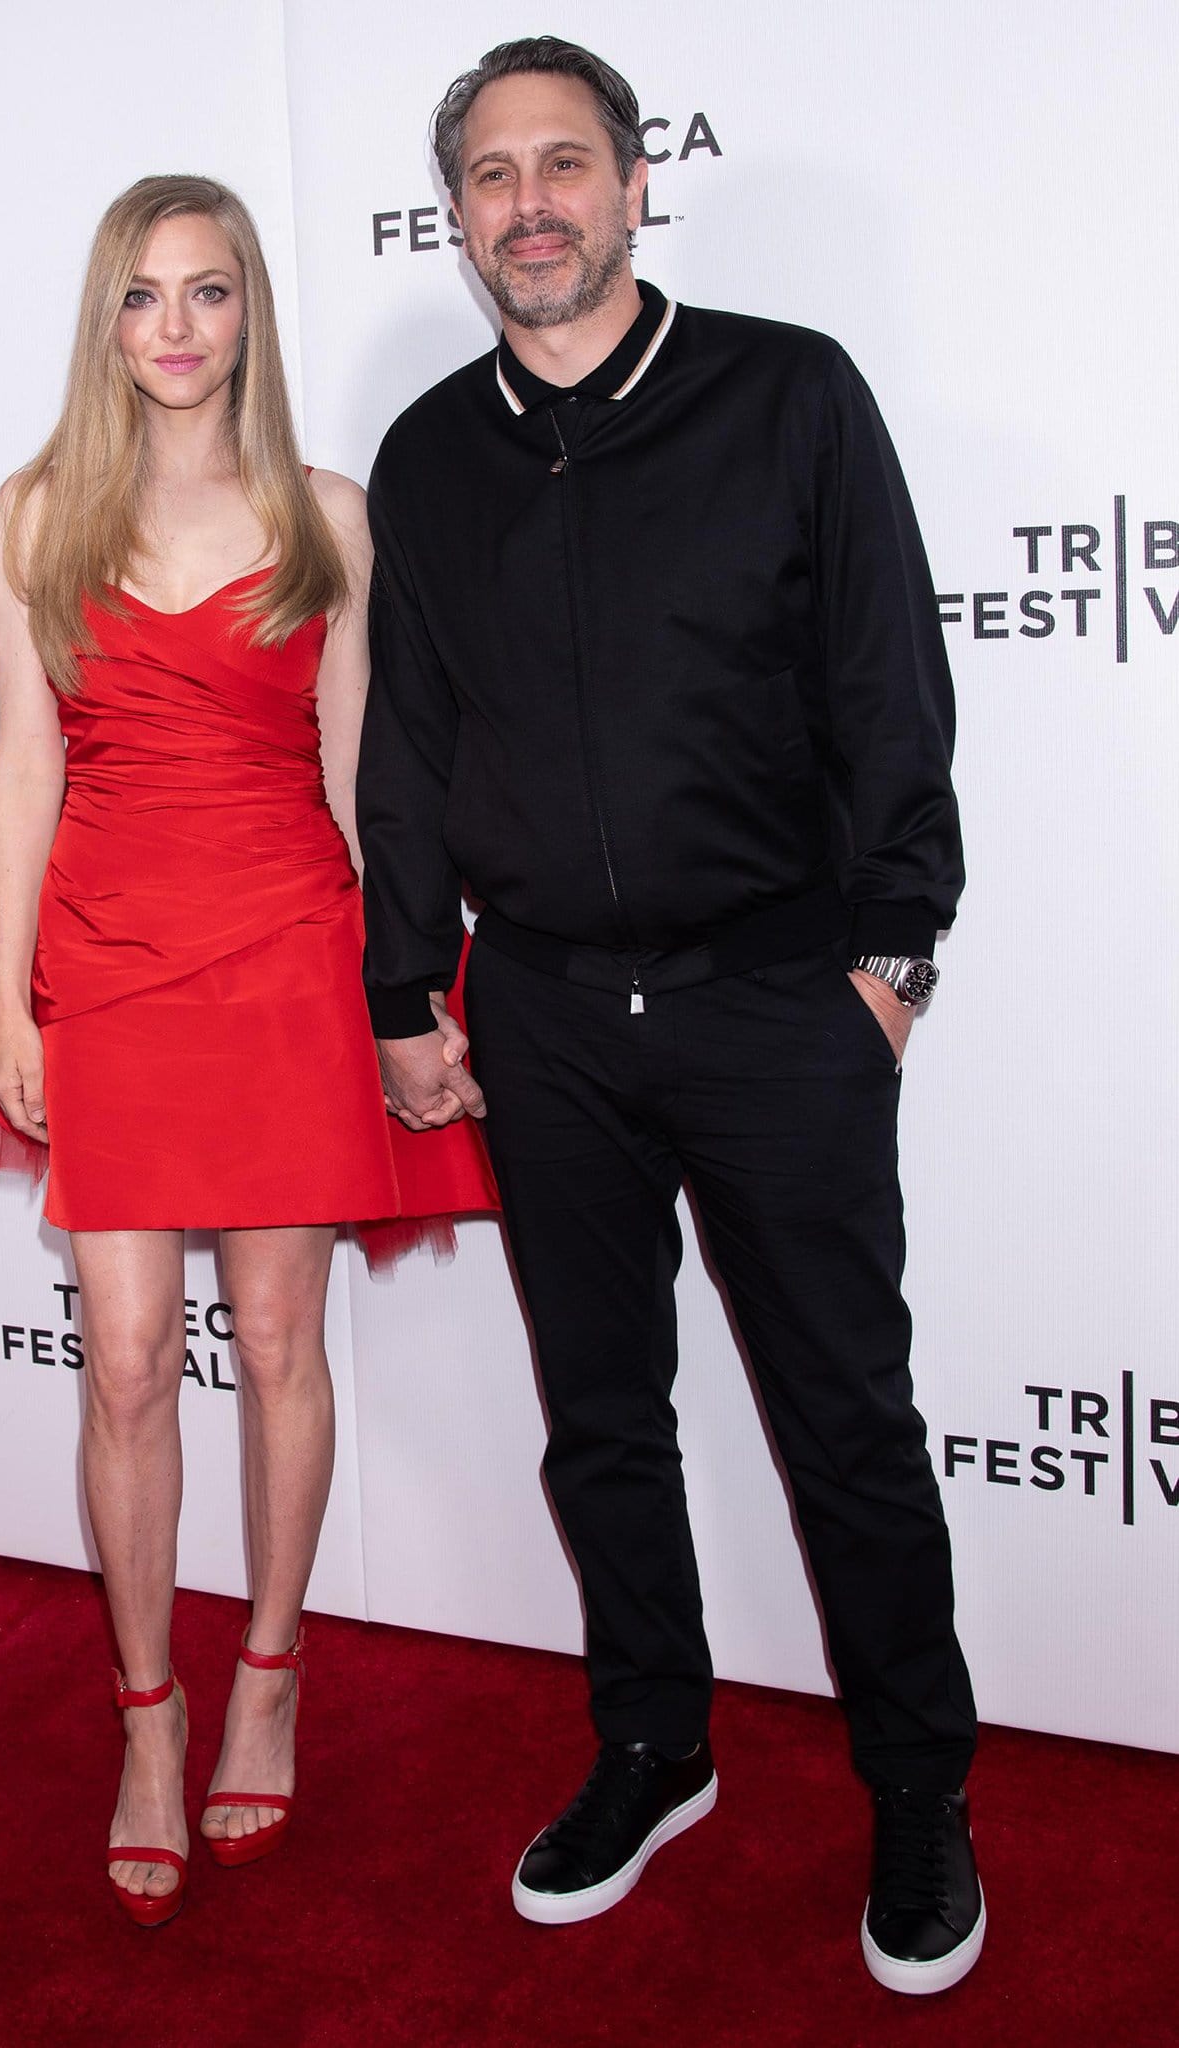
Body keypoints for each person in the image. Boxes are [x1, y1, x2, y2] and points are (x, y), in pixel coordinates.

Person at [357, 37, 983, 1995]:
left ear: (634, 186)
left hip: (772, 999)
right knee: (599, 1418)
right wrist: (403, 986)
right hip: (538, 1010)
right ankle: (652, 1743)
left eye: (563, 162)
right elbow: (408, 746)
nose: (527, 201)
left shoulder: (785, 393)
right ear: (455, 214)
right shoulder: (431, 455)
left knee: (841, 1422)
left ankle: (916, 1797)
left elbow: (888, 684)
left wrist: (886, 961)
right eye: (488, 173)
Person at [0, 174, 495, 1928]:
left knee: (276, 1338)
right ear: (105, 321)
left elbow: (357, 775)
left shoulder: (328, 511)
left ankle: (268, 1667)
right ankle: (147, 1718)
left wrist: (408, 982)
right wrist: (16, 990)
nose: (176, 328)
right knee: (120, 1363)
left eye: (209, 292)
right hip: (105, 959)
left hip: (288, 956)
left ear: (251, 313)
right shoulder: (38, 515)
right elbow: (26, 758)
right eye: (143, 296)